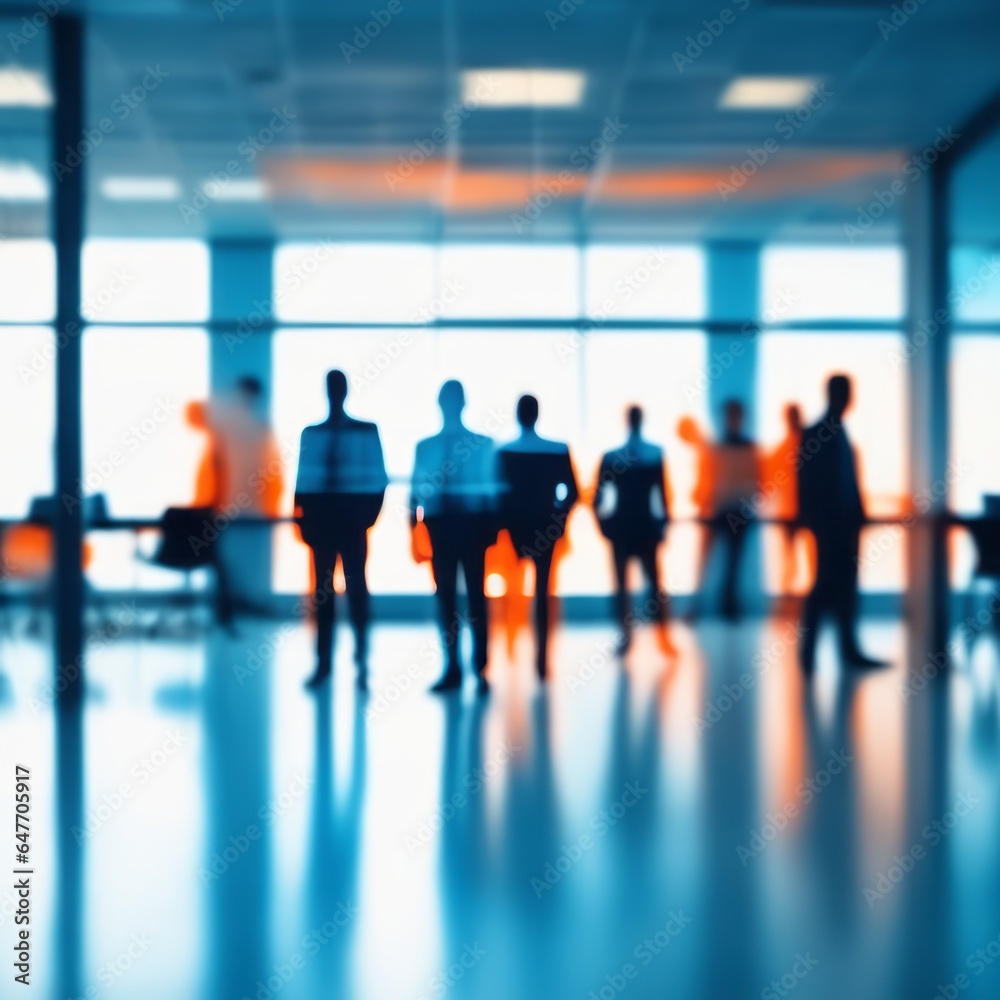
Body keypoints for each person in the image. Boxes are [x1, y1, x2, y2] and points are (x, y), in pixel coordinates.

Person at [294, 370, 388, 690]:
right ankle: (324, 662)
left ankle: (361, 658)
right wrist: (302, 521)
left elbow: (378, 477)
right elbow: (302, 480)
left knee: (356, 589)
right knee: (323, 594)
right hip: (324, 521)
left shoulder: (364, 431)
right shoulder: (312, 434)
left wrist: (367, 518)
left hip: (349, 520)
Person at [410, 380, 498, 694]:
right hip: (447, 527)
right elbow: (416, 493)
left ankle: (473, 667)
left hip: (463, 527)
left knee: (466, 597)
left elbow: (491, 490)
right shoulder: (475, 444)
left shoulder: (472, 445)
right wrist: (415, 533)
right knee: (457, 597)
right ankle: (462, 667)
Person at [797, 374, 886, 673]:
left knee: (845, 586)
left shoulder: (841, 435)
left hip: (847, 524)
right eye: (846, 392)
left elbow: (849, 481)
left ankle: (846, 649)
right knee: (825, 585)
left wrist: (860, 515)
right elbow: (805, 483)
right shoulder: (815, 434)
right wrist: (811, 520)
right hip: (830, 524)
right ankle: (810, 653)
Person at [497, 394, 579, 680]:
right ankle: (541, 659)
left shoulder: (504, 451)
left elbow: (499, 493)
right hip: (545, 528)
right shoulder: (557, 450)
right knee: (543, 593)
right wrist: (559, 520)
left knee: (512, 591)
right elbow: (573, 493)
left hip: (514, 529)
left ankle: (509, 646)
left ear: (518, 415)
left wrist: (502, 524)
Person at [594, 406, 676, 657]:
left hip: (623, 525)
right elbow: (663, 496)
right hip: (642, 525)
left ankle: (638, 635)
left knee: (631, 584)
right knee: (650, 584)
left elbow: (597, 497)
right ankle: (655, 636)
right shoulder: (653, 454)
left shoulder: (614, 456)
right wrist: (663, 524)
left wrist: (604, 524)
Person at [213, 377, 285, 616]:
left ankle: (249, 602)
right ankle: (234, 604)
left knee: (250, 559)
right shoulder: (228, 429)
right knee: (231, 559)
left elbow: (270, 467)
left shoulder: (258, 427)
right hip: (228, 505)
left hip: (253, 506)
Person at [706, 399, 760, 621]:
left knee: (734, 562)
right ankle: (727, 604)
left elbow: (755, 480)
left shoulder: (745, 447)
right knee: (729, 561)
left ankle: (729, 604)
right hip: (725, 510)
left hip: (738, 510)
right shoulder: (719, 448)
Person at [765, 403, 811, 600]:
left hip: (802, 510)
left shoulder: (789, 445)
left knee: (806, 555)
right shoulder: (795, 445)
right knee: (792, 555)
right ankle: (791, 590)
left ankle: (797, 591)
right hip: (794, 510)